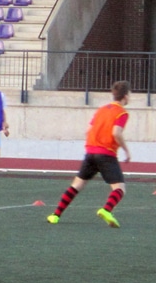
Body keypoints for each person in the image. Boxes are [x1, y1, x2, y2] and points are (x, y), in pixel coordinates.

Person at [48, 80, 130, 228]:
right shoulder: (122, 112)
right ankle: (106, 210)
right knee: (119, 188)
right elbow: (116, 133)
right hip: (106, 154)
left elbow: (88, 130)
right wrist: (126, 150)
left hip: (91, 152)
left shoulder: (101, 109)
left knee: (76, 185)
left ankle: (55, 215)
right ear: (125, 96)